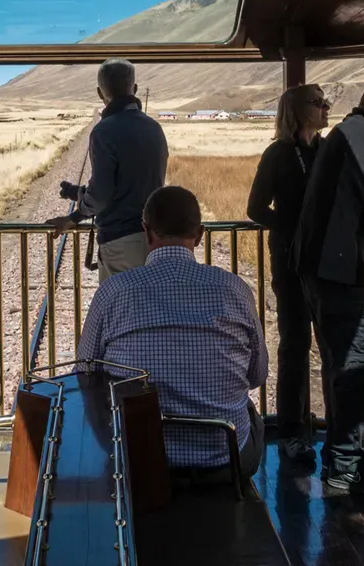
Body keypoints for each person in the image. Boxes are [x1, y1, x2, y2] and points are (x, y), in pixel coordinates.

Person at [77, 186, 267, 476]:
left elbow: (85, 374)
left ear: (146, 232)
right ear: (200, 235)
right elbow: (257, 375)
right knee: (252, 418)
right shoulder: (234, 289)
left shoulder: (113, 291)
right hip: (225, 460)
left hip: (139, 459)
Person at [293, 81, 364, 502]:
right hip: (338, 271)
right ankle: (347, 473)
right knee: (356, 372)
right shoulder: (360, 133)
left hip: (324, 269)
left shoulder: (349, 132)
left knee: (341, 368)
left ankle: (341, 461)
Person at [247, 83, 331, 467]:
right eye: (318, 102)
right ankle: (292, 433)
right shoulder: (278, 154)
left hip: (328, 263)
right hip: (292, 262)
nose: (326, 106)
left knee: (332, 347)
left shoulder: (328, 150)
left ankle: (340, 431)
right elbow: (255, 208)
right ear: (297, 111)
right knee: (295, 345)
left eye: (324, 101)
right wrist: (295, 230)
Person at [46, 58, 168, 280]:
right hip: (156, 238)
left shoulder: (104, 131)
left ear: (99, 93)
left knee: (120, 301)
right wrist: (79, 193)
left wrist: (74, 215)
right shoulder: (154, 128)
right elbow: (134, 182)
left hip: (120, 240)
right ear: (135, 89)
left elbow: (101, 196)